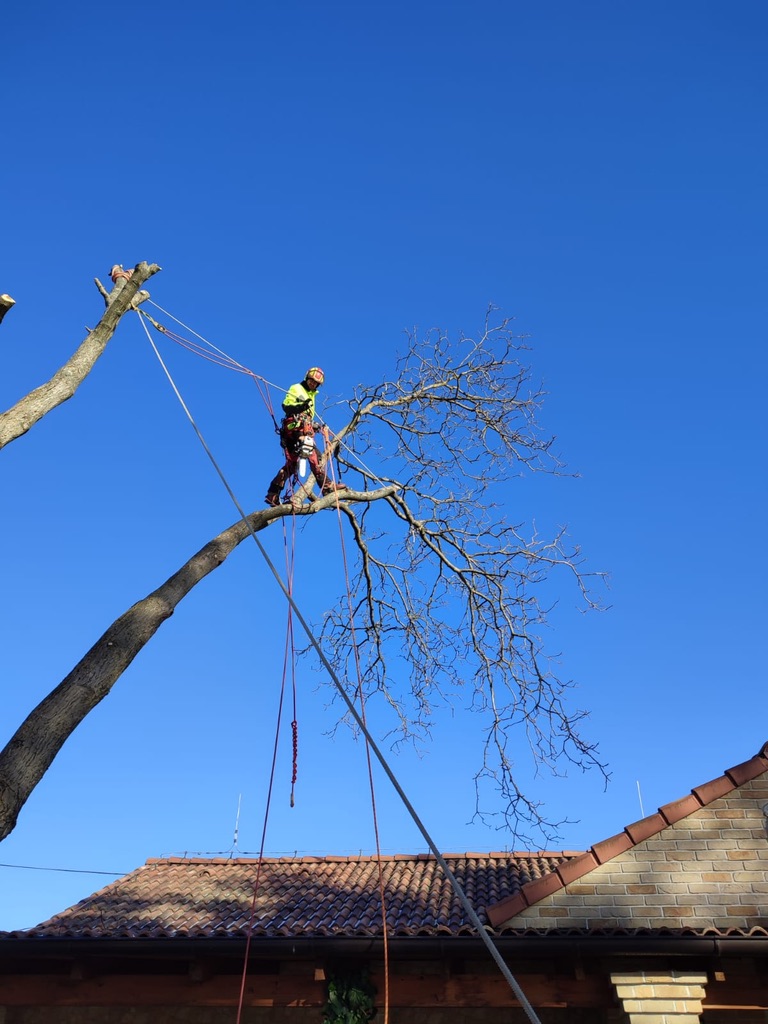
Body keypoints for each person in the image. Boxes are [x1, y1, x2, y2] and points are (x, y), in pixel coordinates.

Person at [264, 366, 343, 506]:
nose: (313, 384)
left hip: (301, 429)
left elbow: (307, 418)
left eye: (316, 383)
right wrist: (301, 407)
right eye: (311, 381)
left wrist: (317, 426)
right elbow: (286, 407)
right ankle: (327, 487)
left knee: (292, 466)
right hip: (294, 430)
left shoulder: (312, 395)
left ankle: (272, 494)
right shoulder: (296, 388)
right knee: (312, 453)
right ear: (307, 378)